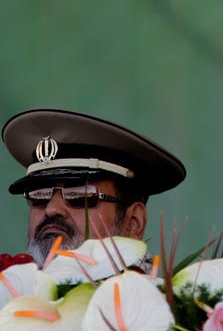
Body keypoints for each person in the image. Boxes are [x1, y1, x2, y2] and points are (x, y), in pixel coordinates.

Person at [2, 108, 186, 271]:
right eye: (39, 196)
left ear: (133, 223)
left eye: (79, 195)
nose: (51, 209)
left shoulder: (164, 307)